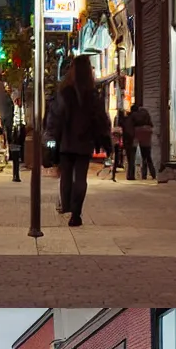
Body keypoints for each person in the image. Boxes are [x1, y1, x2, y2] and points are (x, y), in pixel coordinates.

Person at [45, 55, 110, 227]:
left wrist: (51, 138)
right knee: (80, 178)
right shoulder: (92, 95)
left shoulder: (65, 93)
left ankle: (66, 206)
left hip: (66, 142)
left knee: (66, 176)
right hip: (84, 143)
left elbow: (55, 118)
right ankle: (76, 213)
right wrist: (105, 139)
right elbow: (101, 119)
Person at [130, 104, 157, 180]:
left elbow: (132, 124)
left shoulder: (134, 114)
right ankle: (152, 173)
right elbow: (150, 123)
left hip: (137, 132)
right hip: (147, 132)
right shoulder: (145, 112)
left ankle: (141, 175)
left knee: (133, 153)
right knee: (147, 155)